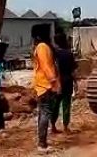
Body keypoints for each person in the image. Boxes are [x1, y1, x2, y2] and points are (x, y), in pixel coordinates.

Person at [31, 23, 61, 153]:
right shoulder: (43, 47)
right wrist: (54, 81)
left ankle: (42, 142)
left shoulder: (40, 46)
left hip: (43, 85)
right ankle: (42, 144)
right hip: (46, 85)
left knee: (43, 113)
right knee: (45, 114)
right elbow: (46, 66)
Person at [50, 27, 78, 134]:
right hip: (67, 82)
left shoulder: (53, 54)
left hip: (56, 83)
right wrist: (76, 83)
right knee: (66, 104)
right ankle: (66, 127)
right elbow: (73, 71)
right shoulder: (69, 53)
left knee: (55, 105)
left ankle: (52, 125)